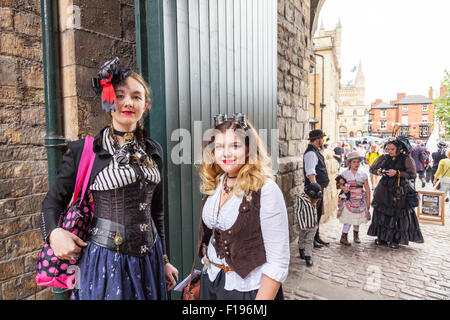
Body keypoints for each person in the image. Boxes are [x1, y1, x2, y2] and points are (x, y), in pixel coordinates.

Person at [39, 57, 178, 300]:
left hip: (150, 260)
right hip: (106, 261)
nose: (128, 102)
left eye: (137, 97)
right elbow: (51, 202)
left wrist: (164, 260)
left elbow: (157, 213)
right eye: (121, 95)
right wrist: (53, 233)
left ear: (145, 106)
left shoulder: (154, 151)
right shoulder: (86, 150)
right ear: (109, 101)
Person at [197, 113, 289, 300]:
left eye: (235, 146)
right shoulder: (216, 183)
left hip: (248, 289)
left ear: (249, 149)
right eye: (220, 146)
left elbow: (278, 262)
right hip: (212, 282)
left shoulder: (266, 189)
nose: (226, 153)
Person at [367, 136, 424, 249]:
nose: (389, 151)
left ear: (398, 149)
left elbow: (412, 175)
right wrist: (377, 171)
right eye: (388, 149)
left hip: (399, 190)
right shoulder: (384, 157)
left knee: (397, 214)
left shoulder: (406, 159)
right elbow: (371, 169)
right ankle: (382, 237)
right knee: (382, 212)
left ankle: (395, 239)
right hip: (384, 189)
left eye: (392, 149)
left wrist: (397, 173)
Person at [336, 152, 371, 245]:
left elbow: (367, 188)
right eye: (354, 162)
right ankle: (344, 236)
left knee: (357, 218)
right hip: (349, 199)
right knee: (348, 217)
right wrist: (344, 188)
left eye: (358, 162)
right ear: (349, 163)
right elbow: (338, 184)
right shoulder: (345, 174)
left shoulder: (363, 174)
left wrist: (368, 201)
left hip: (359, 199)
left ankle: (356, 235)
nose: (356, 164)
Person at [303, 129, 330, 247]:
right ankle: (311, 239)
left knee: (317, 214)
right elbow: (310, 173)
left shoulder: (315, 151)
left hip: (318, 188)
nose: (322, 140)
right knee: (312, 214)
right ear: (318, 139)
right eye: (321, 138)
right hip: (314, 189)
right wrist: (316, 189)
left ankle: (316, 237)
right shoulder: (310, 153)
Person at [295, 183, 322, 267]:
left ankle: (308, 257)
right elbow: (298, 212)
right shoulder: (301, 200)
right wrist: (302, 224)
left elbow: (314, 213)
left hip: (313, 225)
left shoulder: (315, 199)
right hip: (304, 226)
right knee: (302, 239)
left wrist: (316, 224)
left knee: (309, 241)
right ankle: (301, 249)